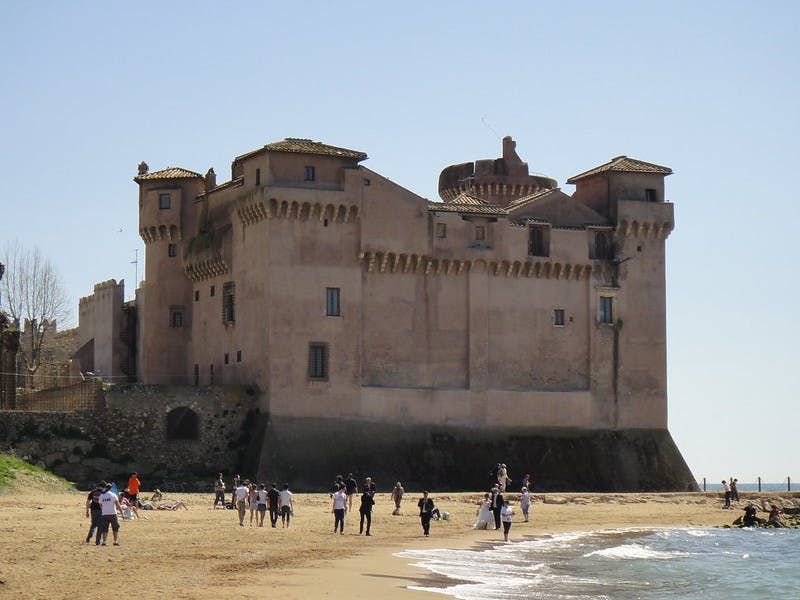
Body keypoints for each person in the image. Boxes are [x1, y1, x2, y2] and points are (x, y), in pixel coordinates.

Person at [99, 482, 123, 546]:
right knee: (115, 528)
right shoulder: (113, 495)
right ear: (111, 489)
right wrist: (122, 513)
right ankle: (115, 541)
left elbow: (100, 505)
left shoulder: (102, 495)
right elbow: (118, 505)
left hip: (104, 514)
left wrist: (104, 510)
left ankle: (104, 542)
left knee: (105, 528)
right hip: (113, 514)